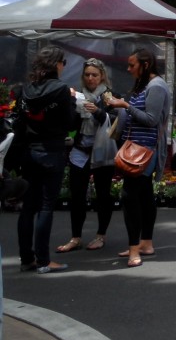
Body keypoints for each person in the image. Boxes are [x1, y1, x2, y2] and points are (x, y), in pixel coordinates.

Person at [106, 48, 172, 268]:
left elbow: (151, 119)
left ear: (145, 65)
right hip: (137, 148)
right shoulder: (146, 85)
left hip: (143, 151)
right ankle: (145, 243)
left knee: (130, 197)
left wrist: (125, 105)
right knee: (143, 196)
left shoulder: (156, 86)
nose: (128, 69)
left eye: (132, 65)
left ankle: (135, 248)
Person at [17, 47, 76, 274]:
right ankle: (44, 260)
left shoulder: (27, 89)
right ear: (56, 64)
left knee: (28, 208)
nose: (64, 66)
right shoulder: (61, 90)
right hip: (52, 150)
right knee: (46, 206)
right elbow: (69, 123)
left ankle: (26, 258)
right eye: (63, 62)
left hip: (30, 151)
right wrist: (71, 101)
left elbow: (21, 122)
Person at [57, 59, 117, 254]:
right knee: (77, 196)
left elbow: (116, 123)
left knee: (103, 195)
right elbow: (71, 126)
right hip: (80, 151)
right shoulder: (78, 95)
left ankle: (101, 235)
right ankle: (76, 237)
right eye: (87, 75)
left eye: (94, 75)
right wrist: (73, 109)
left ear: (102, 76)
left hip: (102, 152)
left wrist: (98, 112)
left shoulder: (109, 96)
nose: (90, 78)